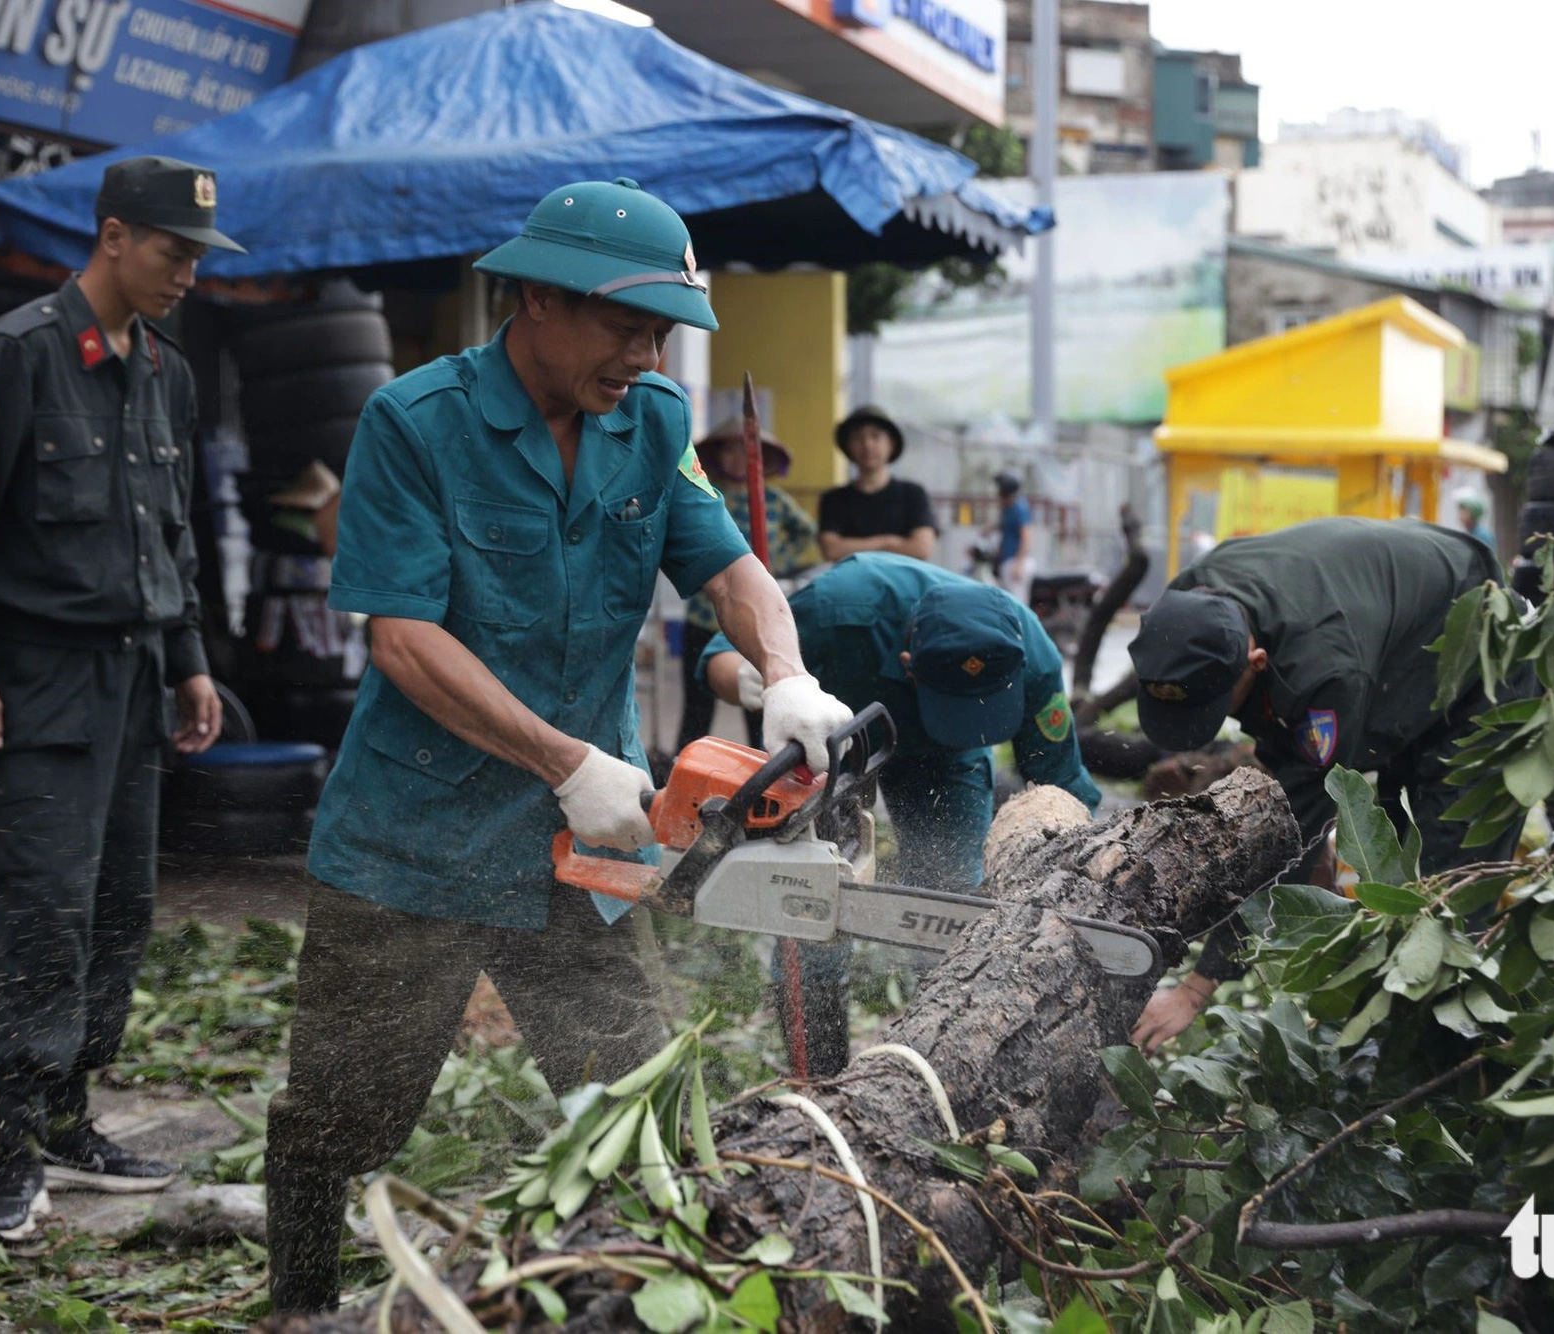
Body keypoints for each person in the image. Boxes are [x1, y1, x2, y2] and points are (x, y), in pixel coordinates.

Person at [262, 178, 853, 1316]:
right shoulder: (414, 423)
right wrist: (563, 761)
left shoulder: (654, 422)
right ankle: (297, 1299)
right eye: (622, 323)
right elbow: (401, 636)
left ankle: (640, 1293)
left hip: (589, 847)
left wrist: (785, 674)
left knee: (630, 1089)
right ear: (535, 293)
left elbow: (725, 567)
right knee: (345, 1106)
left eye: (660, 330)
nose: (643, 351)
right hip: (410, 837)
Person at [0, 156, 235, 1243]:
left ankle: (68, 1118)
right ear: (111, 236)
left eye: (197, 255)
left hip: (138, 674)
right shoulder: (24, 352)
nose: (187, 273)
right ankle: (12, 1153)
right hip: (41, 675)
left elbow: (173, 531)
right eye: (170, 250)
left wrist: (191, 657)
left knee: (120, 911)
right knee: (42, 908)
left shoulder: (168, 369)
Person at [1125, 517, 1528, 1051]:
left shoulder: (1326, 673)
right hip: (1398, 638)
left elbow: (1291, 836)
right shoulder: (1187, 605)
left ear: (1256, 661)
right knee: (1384, 874)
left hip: (1483, 663)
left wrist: (1196, 989)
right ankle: (1381, 1036)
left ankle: (1439, 1074)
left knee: (1438, 904)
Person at [701, 552, 1101, 1074]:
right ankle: (819, 1076)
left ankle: (944, 1068)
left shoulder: (1029, 652)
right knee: (810, 906)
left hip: (948, 759)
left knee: (949, 899)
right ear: (909, 663)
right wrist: (753, 679)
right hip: (831, 747)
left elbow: (1061, 786)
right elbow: (718, 650)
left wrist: (1083, 875)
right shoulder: (842, 607)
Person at [675, 419, 820, 752]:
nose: (737, 458)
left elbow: (806, 531)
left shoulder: (775, 500)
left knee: (760, 705)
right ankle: (683, 773)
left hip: (754, 617)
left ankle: (764, 776)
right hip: (703, 616)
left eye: (745, 450)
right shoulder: (705, 495)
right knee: (697, 707)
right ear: (718, 456)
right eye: (729, 450)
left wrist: (775, 563)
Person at [818, 406, 937, 563]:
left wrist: (854, 546)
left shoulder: (913, 494)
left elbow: (922, 548)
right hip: (852, 584)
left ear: (891, 444)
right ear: (848, 447)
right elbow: (831, 550)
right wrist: (888, 542)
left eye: (876, 436)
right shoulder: (833, 499)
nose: (867, 445)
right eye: (858, 438)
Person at [991, 470, 1033, 604]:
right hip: (1007, 561)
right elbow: (1004, 526)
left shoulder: (1019, 507)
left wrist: (1019, 564)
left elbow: (1025, 537)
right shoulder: (1007, 508)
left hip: (1016, 562)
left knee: (1017, 603)